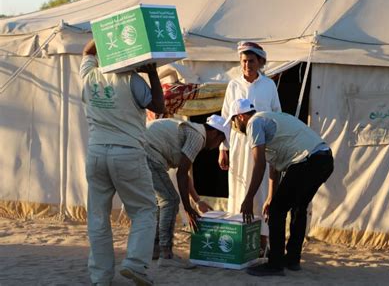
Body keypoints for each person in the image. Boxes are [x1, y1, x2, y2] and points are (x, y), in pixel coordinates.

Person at [80, 39, 165, 286]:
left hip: (95, 152)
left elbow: (87, 50)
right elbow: (159, 106)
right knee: (144, 210)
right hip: (127, 151)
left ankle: (100, 277)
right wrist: (153, 73)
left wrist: (108, 30)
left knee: (98, 216)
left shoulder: (88, 74)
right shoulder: (133, 80)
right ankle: (135, 265)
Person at [225, 99, 334, 276]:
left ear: (241, 117)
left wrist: (248, 199)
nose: (234, 126)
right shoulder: (270, 119)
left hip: (306, 162)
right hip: (324, 160)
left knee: (277, 212)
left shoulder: (254, 123)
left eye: (233, 121)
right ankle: (292, 259)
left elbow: (259, 164)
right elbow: (273, 169)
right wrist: (270, 197)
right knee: (298, 207)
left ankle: (275, 264)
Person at [219, 41, 281, 253]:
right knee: (238, 187)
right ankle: (238, 240)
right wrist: (223, 148)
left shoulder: (269, 85)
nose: (247, 65)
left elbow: (277, 114)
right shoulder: (233, 85)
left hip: (261, 145)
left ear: (260, 62)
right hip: (238, 144)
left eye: (251, 61)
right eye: (244, 61)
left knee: (261, 190)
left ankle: (262, 241)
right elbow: (226, 117)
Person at [144, 115, 230, 268]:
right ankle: (166, 254)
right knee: (170, 200)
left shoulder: (194, 132)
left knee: (163, 200)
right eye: (220, 141)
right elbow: (181, 174)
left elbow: (185, 173)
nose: (218, 146)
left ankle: (155, 248)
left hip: (142, 150)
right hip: (147, 154)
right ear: (214, 133)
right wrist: (188, 209)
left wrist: (197, 201)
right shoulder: (197, 137)